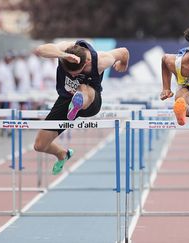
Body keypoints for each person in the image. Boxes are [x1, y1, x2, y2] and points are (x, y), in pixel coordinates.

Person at [33, 40, 129, 175]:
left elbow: (123, 52)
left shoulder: (100, 60)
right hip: (65, 100)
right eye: (70, 72)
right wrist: (63, 55)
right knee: (39, 145)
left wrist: (122, 63)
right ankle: (62, 154)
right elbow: (39, 50)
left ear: (86, 63)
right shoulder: (65, 49)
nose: (72, 76)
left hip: (91, 101)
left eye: (77, 72)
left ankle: (78, 103)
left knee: (83, 88)